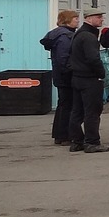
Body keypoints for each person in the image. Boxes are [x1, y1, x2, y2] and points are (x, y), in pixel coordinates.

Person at [68, 9, 109, 152]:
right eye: (99, 17)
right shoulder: (88, 37)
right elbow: (93, 58)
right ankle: (92, 142)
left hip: (77, 77)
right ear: (89, 18)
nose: (101, 20)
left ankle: (77, 141)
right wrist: (101, 73)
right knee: (92, 111)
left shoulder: (78, 34)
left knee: (77, 111)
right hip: (89, 79)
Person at [40, 9, 78, 145]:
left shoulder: (56, 35)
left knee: (63, 104)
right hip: (65, 76)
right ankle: (65, 135)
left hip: (59, 75)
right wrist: (71, 71)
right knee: (68, 105)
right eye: (75, 18)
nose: (77, 20)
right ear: (67, 20)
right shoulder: (65, 37)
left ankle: (60, 134)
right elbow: (63, 58)